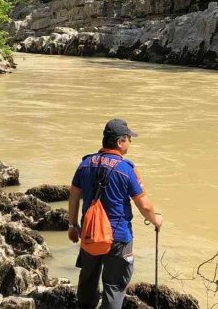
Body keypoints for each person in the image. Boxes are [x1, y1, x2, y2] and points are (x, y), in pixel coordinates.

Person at [68, 118, 163, 309]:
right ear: (120, 142)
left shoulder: (85, 164)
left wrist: (72, 226)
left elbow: (73, 196)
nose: (130, 142)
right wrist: (156, 220)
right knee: (114, 287)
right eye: (129, 138)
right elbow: (144, 206)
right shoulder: (126, 169)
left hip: (89, 234)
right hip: (118, 239)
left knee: (87, 282)